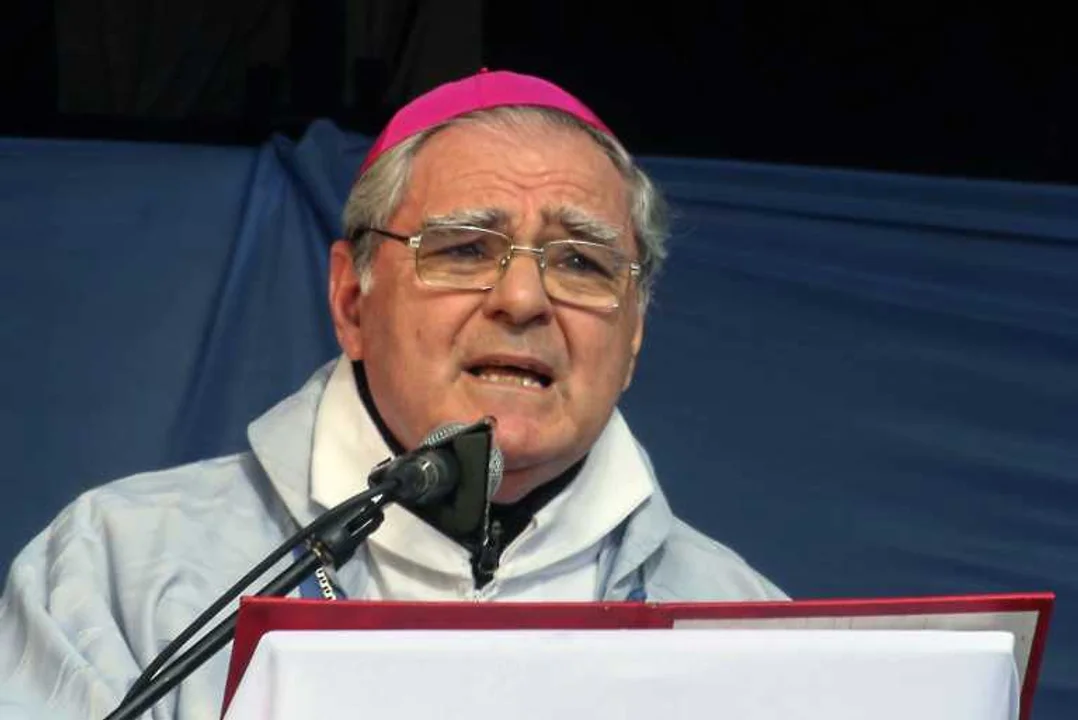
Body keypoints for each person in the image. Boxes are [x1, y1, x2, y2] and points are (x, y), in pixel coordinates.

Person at [0, 69, 786, 720]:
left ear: (634, 333)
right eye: (465, 248)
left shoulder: (751, 632)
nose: (522, 300)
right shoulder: (119, 572)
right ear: (352, 301)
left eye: (581, 262)